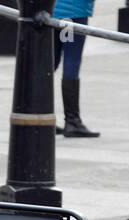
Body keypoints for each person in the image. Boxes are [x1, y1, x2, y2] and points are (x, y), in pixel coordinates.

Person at [52, 0, 100, 138]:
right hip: (72, 15)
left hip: (52, 13)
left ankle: (39, 114)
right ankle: (72, 120)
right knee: (71, 62)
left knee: (50, 63)